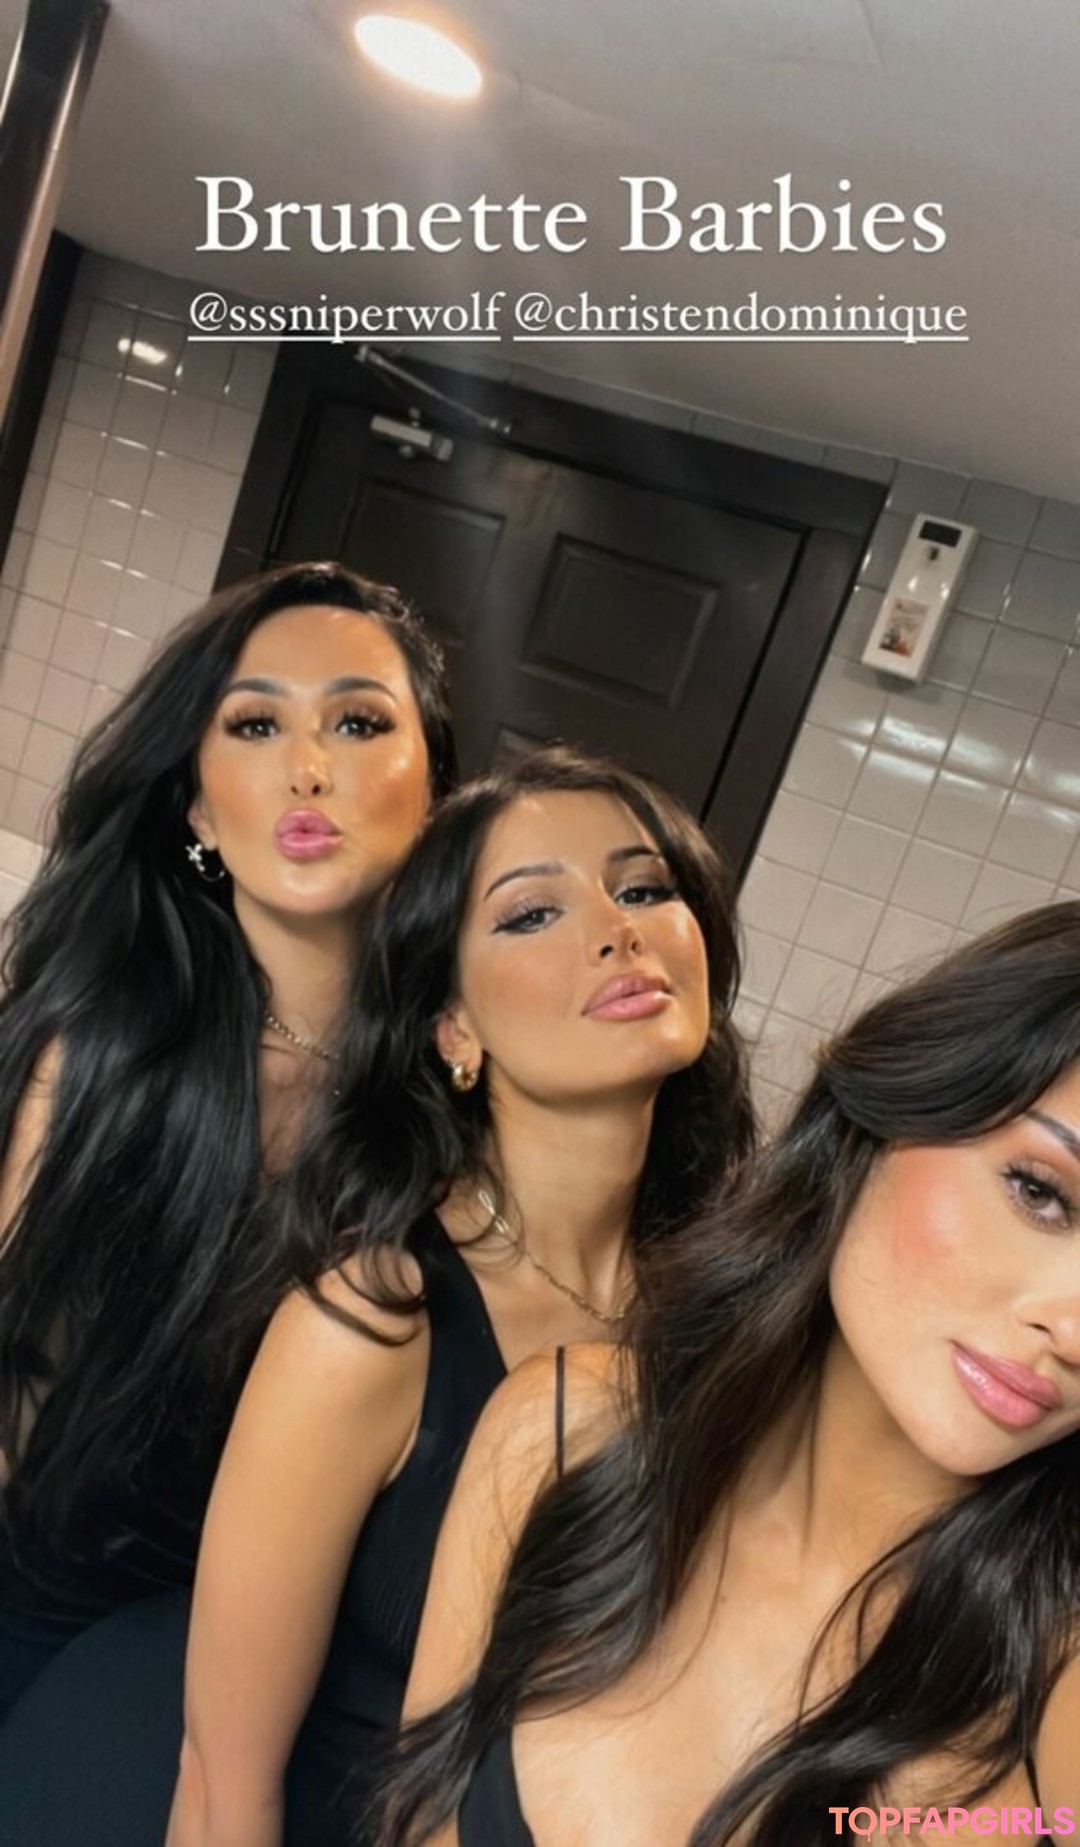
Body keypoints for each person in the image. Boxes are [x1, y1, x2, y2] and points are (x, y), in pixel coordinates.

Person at [141, 745, 748, 1847]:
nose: (616, 931)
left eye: (645, 889)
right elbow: (220, 1779)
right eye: (532, 913)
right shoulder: (370, 1325)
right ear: (452, 1028)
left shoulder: (729, 1303)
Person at [381, 902, 1080, 1847]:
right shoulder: (564, 1432)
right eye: (1041, 1193)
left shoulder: (1056, 1691)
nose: (1072, 1328)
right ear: (889, 1110)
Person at [0, 558, 455, 1718]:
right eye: (255, 724)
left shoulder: (459, 1094)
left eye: (359, 721)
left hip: (295, 1685)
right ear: (198, 806)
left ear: (434, 788)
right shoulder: (106, 1048)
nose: (308, 766)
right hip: (45, 1604)